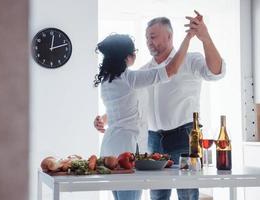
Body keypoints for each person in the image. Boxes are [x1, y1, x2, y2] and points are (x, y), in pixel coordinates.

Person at [94, 11, 226, 200]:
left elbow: (217, 72)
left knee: (187, 194)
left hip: (184, 137)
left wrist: (204, 37)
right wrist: (105, 118)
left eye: (153, 37)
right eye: (147, 38)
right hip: (152, 140)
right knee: (156, 196)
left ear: (170, 36)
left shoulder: (190, 60)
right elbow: (128, 100)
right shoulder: (143, 71)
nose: (148, 42)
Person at [94, 31, 194, 200]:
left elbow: (120, 108)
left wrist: (103, 119)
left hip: (109, 148)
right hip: (127, 150)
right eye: (134, 51)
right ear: (127, 56)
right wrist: (188, 38)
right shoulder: (130, 78)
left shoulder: (107, 80)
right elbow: (171, 69)